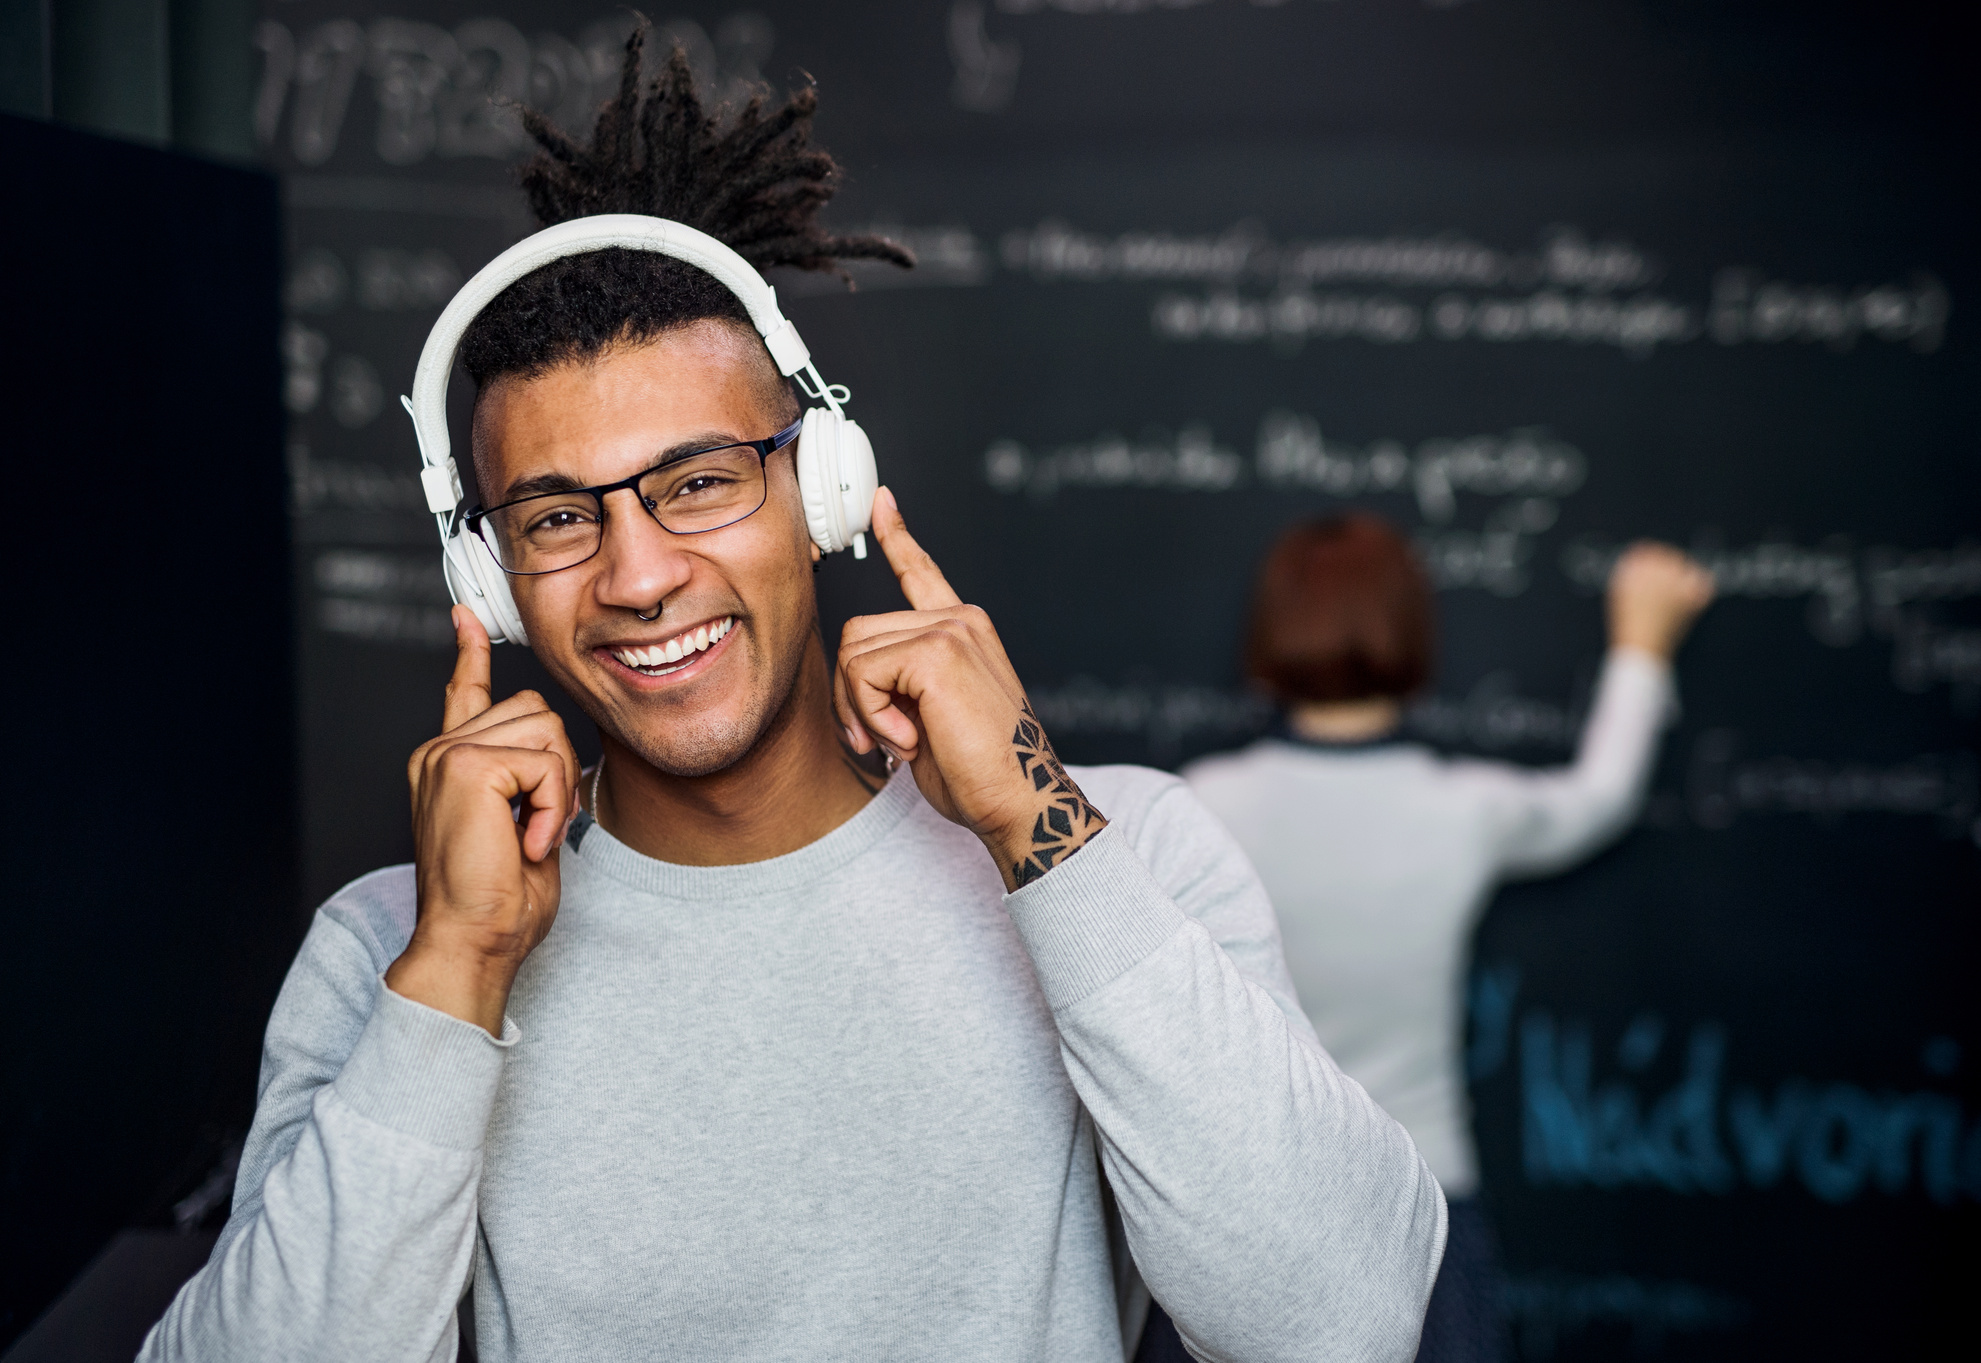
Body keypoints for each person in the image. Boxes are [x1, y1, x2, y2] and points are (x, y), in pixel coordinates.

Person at [140, 35, 1444, 1363]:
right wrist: (456, 970)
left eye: (700, 478)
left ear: (822, 487)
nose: (640, 574)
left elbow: (1339, 1325)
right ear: (486, 573)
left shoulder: (1128, 853)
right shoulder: (391, 952)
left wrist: (1040, 837)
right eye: (554, 518)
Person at [1184, 514, 1715, 1363]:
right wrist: (1641, 643)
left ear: (1270, 632)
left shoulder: (1196, 805)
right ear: (1412, 633)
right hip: (1422, 1210)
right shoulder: (1461, 810)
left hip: (1243, 1213)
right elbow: (1601, 795)